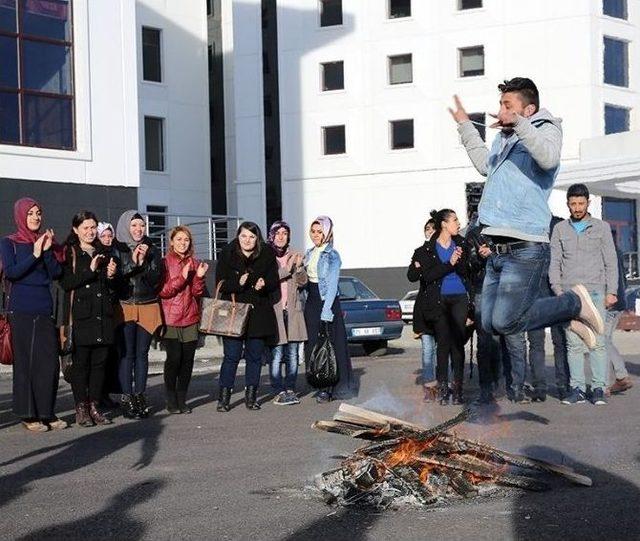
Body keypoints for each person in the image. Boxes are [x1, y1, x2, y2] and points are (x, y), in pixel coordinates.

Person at [449, 77, 604, 345]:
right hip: (496, 244)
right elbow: (486, 166)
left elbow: (548, 158)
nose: (501, 110)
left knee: (506, 321)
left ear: (528, 110)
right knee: (488, 322)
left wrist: (519, 124)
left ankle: (573, 303)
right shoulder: (504, 138)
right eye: (500, 104)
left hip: (525, 243)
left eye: (507, 104)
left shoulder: (548, 129)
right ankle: (565, 315)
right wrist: (465, 126)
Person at [0, 198, 66, 432]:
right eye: (30, 213)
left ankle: (47, 412)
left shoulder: (48, 241)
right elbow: (12, 273)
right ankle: (29, 414)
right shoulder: (9, 243)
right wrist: (35, 253)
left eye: (38, 213)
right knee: (26, 364)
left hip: (44, 307)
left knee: (48, 363)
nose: (36, 217)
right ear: (20, 216)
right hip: (21, 309)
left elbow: (57, 272)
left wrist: (47, 251)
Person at [549, 184, 618, 405]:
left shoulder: (602, 228)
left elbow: (611, 261)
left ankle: (598, 387)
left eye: (581, 203)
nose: (577, 208)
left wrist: (612, 292)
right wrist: (558, 291)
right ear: (567, 204)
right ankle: (577, 388)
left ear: (588, 203)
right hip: (571, 295)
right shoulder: (560, 229)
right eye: (573, 204)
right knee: (574, 343)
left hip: (596, 292)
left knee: (597, 342)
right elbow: (555, 263)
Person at [60, 211, 118, 427]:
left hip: (103, 317)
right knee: (81, 365)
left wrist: (112, 276)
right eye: (85, 227)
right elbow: (66, 284)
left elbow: (113, 288)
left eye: (93, 227)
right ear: (76, 229)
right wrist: (90, 270)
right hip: (81, 317)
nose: (90, 231)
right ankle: (81, 408)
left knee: (99, 365)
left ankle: (95, 406)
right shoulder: (70, 252)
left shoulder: (105, 252)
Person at [215, 222, 279, 412]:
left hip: (258, 313)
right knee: (231, 356)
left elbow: (274, 281)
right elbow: (220, 284)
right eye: (243, 236)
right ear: (238, 237)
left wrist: (264, 283)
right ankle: (224, 398)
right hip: (234, 312)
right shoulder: (227, 254)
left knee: (254, 357)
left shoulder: (267, 254)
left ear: (257, 238)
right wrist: (237, 282)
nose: (247, 240)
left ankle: (251, 397)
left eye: (252, 237)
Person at [409, 209, 469, 405]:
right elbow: (428, 276)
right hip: (439, 300)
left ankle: (458, 389)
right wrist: (450, 263)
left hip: (459, 297)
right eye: (455, 220)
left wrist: (460, 261)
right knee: (442, 344)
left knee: (457, 345)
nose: (458, 224)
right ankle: (442, 389)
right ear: (444, 224)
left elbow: (466, 272)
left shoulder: (460, 243)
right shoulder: (427, 250)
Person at [113, 210, 163, 419]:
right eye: (134, 225)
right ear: (126, 226)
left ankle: (140, 395)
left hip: (147, 304)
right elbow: (116, 279)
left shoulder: (152, 248)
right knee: (127, 354)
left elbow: (156, 280)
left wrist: (143, 262)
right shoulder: (117, 248)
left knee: (142, 354)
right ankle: (127, 397)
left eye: (141, 225)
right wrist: (133, 262)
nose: (138, 229)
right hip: (125, 305)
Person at [304, 216, 356, 403]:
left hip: (326, 301)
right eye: (313, 231)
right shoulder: (309, 253)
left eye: (320, 232)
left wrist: (326, 311)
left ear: (328, 233)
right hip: (311, 302)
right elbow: (305, 280)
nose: (316, 235)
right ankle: (319, 381)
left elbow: (332, 285)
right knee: (313, 344)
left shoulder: (332, 255)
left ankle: (330, 387)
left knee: (331, 344)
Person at [159, 226, 208, 414]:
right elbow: (163, 291)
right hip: (170, 317)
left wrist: (200, 278)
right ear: (171, 241)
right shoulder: (164, 263)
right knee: (174, 359)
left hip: (190, 317)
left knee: (188, 360)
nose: (182, 243)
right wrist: (182, 276)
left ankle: (182, 398)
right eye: (178, 239)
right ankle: (171, 398)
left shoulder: (195, 262)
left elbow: (197, 292)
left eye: (186, 240)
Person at [266, 221, 308, 405]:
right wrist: (287, 268)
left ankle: (290, 388)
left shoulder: (296, 254)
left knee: (293, 354)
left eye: (285, 233)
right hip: (274, 312)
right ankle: (278, 389)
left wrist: (298, 267)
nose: (281, 236)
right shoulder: (266, 256)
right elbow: (270, 281)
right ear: (272, 236)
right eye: (278, 233)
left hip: (293, 311)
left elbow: (303, 282)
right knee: (276, 354)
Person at [407, 218, 439, 402]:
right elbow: (412, 275)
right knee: (428, 349)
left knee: (443, 349)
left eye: (433, 229)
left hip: (443, 305)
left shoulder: (445, 250)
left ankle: (445, 385)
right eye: (427, 229)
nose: (430, 231)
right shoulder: (419, 252)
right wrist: (418, 267)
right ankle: (429, 388)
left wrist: (423, 267)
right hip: (424, 306)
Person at [96, 221, 121, 408]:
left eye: (109, 236)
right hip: (97, 310)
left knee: (110, 355)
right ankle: (96, 395)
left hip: (113, 309)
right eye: (103, 236)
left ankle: (105, 393)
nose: (107, 239)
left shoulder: (115, 253)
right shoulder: (95, 255)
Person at [606, 245, 633, 394]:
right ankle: (620, 377)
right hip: (620, 301)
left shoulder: (603, 250)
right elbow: (624, 280)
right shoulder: (617, 250)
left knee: (602, 342)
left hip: (609, 302)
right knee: (606, 340)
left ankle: (607, 383)